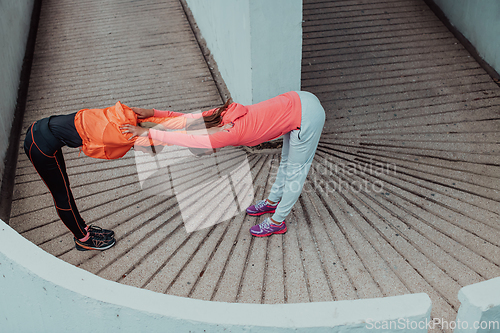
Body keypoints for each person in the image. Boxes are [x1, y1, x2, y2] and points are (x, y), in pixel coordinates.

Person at [121, 91, 325, 237]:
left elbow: (183, 139)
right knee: (287, 162)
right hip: (297, 100)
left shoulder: (225, 133)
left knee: (295, 171)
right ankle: (272, 202)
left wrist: (147, 132)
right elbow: (185, 120)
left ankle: (277, 222)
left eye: (209, 149)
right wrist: (152, 113)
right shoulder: (219, 116)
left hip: (307, 116)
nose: (213, 150)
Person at [24, 101, 186, 251]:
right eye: (144, 150)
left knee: (65, 189)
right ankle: (83, 239)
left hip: (40, 129)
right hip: (39, 147)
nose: (141, 152)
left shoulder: (130, 115)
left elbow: (162, 122)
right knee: (62, 195)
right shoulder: (125, 135)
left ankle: (82, 229)